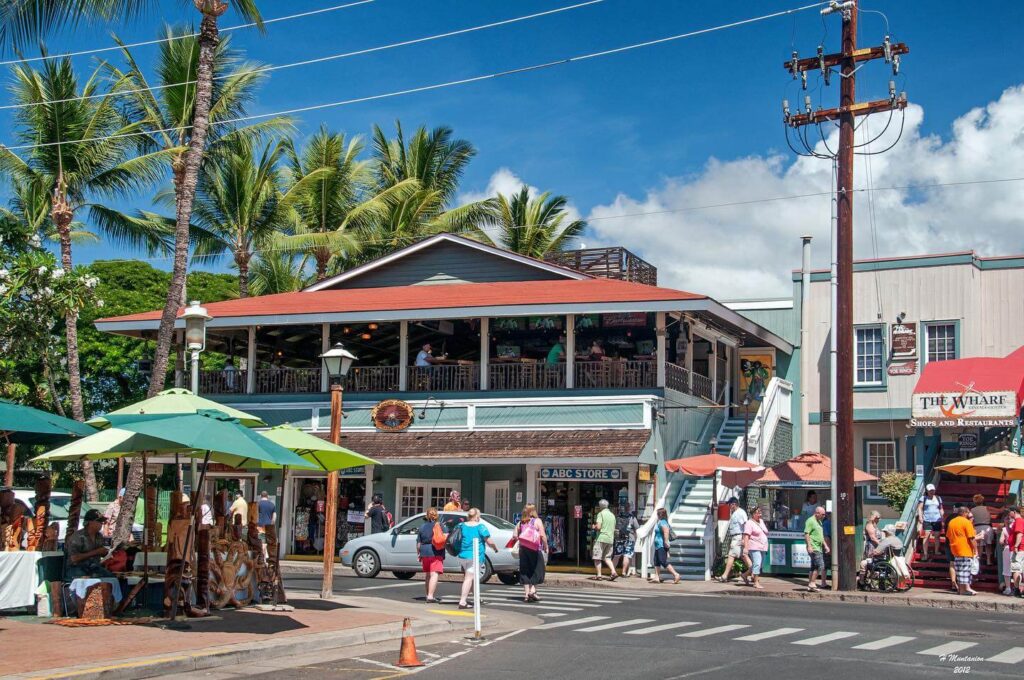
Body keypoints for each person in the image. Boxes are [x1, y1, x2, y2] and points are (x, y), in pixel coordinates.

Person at [457, 508, 498, 609]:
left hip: (462, 555)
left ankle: (476, 597)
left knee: (472, 577)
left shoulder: (461, 525)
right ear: (477, 516)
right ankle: (462, 601)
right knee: (468, 578)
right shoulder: (481, 527)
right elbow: (489, 541)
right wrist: (495, 548)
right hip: (474, 556)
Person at [514, 504, 547, 602]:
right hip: (535, 549)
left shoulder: (521, 522)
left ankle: (526, 595)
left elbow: (515, 535)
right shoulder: (537, 521)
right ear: (533, 511)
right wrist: (546, 546)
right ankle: (532, 591)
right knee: (538, 570)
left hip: (523, 549)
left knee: (525, 571)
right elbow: (542, 535)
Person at [66, 509, 114, 579]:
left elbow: (102, 553)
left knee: (111, 578)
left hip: (94, 568)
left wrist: (107, 553)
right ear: (90, 522)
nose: (102, 523)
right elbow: (74, 559)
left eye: (102, 521)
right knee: (88, 580)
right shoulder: (78, 536)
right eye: (99, 521)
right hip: (76, 568)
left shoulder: (99, 536)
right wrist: (96, 552)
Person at [946, 504, 978, 596]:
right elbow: (971, 538)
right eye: (968, 512)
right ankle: (963, 590)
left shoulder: (952, 522)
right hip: (965, 549)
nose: (968, 514)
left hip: (955, 549)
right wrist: (976, 550)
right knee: (965, 571)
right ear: (964, 513)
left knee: (960, 571)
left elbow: (948, 535)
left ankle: (961, 589)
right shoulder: (966, 522)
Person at [416, 508, 446, 603]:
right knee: (434, 574)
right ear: (436, 515)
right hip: (436, 551)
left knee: (428, 574)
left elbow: (418, 543)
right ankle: (430, 596)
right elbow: (445, 537)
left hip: (424, 551)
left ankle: (427, 594)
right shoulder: (440, 525)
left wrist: (419, 554)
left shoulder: (422, 527)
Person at [717, 497, 750, 583]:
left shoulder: (740, 513)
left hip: (738, 537)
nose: (729, 506)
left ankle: (724, 576)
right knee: (744, 556)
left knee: (731, 555)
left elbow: (745, 525)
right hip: (736, 537)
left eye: (730, 504)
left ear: (733, 504)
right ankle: (753, 573)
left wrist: (744, 539)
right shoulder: (735, 513)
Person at [650, 507, 681, 584]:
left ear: (660, 514)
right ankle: (657, 577)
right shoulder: (660, 521)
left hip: (662, 545)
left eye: (658, 514)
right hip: (658, 545)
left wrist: (666, 542)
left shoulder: (663, 522)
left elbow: (666, 532)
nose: (657, 515)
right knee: (656, 561)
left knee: (662, 561)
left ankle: (676, 574)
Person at [742, 506, 769, 589]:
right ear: (753, 514)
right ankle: (756, 582)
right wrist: (746, 548)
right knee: (757, 563)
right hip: (754, 546)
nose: (760, 514)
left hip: (763, 546)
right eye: (758, 512)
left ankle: (744, 575)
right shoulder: (749, 523)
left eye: (760, 512)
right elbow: (746, 536)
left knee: (759, 565)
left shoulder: (761, 521)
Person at [591, 499, 618, 581]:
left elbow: (598, 527)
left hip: (601, 538)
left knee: (597, 557)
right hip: (610, 539)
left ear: (600, 506)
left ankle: (599, 575)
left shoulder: (601, 514)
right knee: (607, 557)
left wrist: (594, 527)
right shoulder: (612, 515)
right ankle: (613, 572)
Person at [804, 506, 829, 592]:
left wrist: (825, 546)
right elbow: (806, 534)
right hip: (813, 547)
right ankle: (812, 583)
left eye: (824, 514)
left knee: (813, 566)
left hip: (819, 547)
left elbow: (821, 536)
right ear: (817, 513)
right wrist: (809, 546)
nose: (824, 516)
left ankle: (810, 585)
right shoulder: (810, 521)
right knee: (820, 565)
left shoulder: (819, 522)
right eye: (822, 514)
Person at [917, 483, 943, 561]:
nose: (931, 492)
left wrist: (942, 514)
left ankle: (936, 551)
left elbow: (941, 508)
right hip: (927, 519)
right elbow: (920, 508)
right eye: (930, 491)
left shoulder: (938, 498)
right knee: (926, 536)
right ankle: (925, 553)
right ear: (927, 491)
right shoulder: (924, 498)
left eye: (933, 490)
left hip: (937, 519)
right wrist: (920, 517)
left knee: (937, 536)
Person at [613, 503, 640, 577]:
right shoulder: (632, 517)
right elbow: (637, 527)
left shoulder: (617, 517)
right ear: (629, 508)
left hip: (619, 538)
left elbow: (614, 527)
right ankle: (623, 572)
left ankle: (613, 571)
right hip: (629, 538)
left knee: (617, 555)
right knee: (626, 555)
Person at [1006, 505, 1024, 596]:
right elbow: (1012, 534)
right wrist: (1006, 524)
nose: (1008, 514)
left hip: (1019, 549)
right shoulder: (1017, 521)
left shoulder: (1019, 521)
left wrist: (1016, 546)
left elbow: (1019, 534)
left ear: (1014, 511)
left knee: (1016, 569)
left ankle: (1017, 589)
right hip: (1019, 548)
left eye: (1009, 512)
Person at [971, 494, 993, 566]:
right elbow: (999, 511)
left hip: (977, 527)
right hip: (987, 527)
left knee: (979, 545)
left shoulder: (972, 510)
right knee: (988, 544)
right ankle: (988, 560)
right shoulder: (987, 508)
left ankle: (979, 560)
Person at [998, 510, 1014, 595]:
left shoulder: (1004, 529)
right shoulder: (1014, 527)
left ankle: (1008, 588)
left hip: (1007, 548)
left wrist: (1005, 543)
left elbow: (1001, 541)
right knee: (1016, 569)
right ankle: (1015, 587)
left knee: (1007, 569)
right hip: (1014, 548)